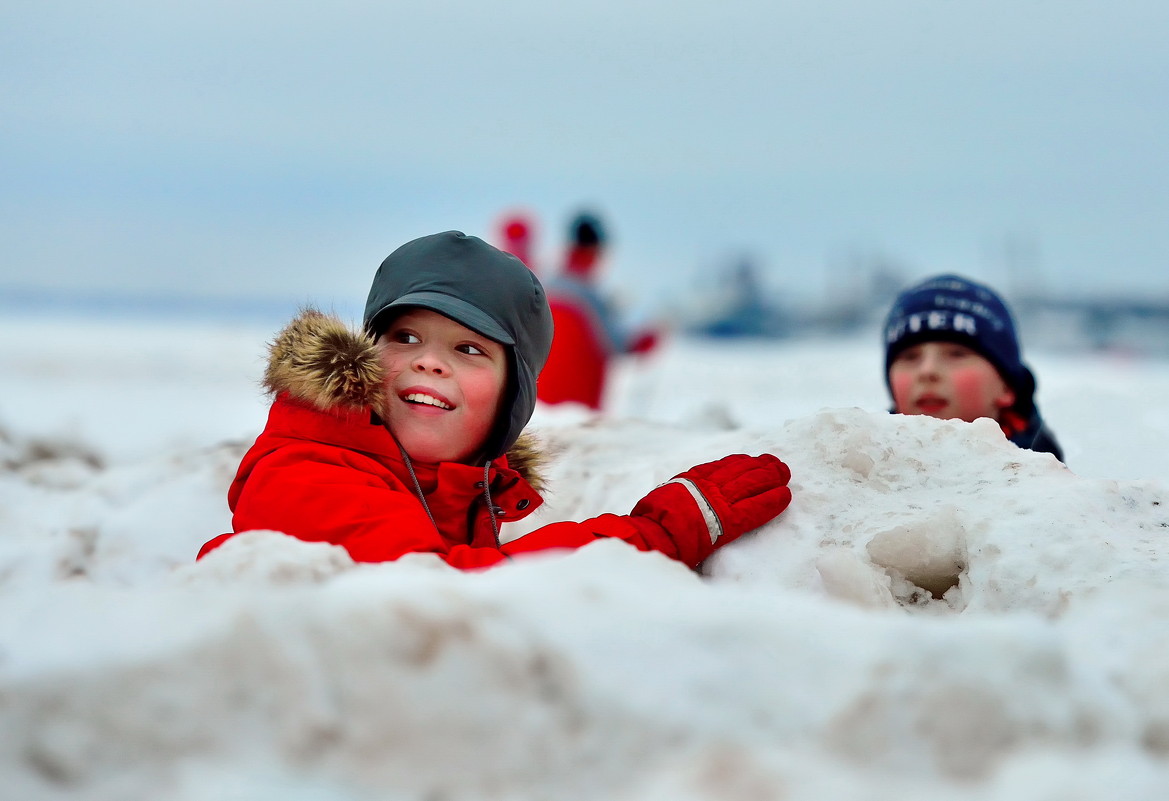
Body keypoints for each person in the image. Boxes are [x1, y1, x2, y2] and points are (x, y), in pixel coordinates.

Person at [198, 231, 792, 570]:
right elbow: (445, 597)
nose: (430, 361)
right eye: (405, 337)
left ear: (512, 395)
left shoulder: (452, 491)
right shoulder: (310, 468)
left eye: (469, 348)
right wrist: (657, 535)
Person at [882, 274, 1064, 460]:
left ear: (1006, 386)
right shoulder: (863, 473)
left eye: (957, 354)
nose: (927, 371)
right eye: (909, 357)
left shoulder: (1047, 480)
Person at [536, 211, 660, 410]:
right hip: (580, 410)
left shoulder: (545, 288)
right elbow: (619, 345)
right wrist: (648, 338)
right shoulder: (589, 297)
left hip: (539, 408)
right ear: (595, 252)